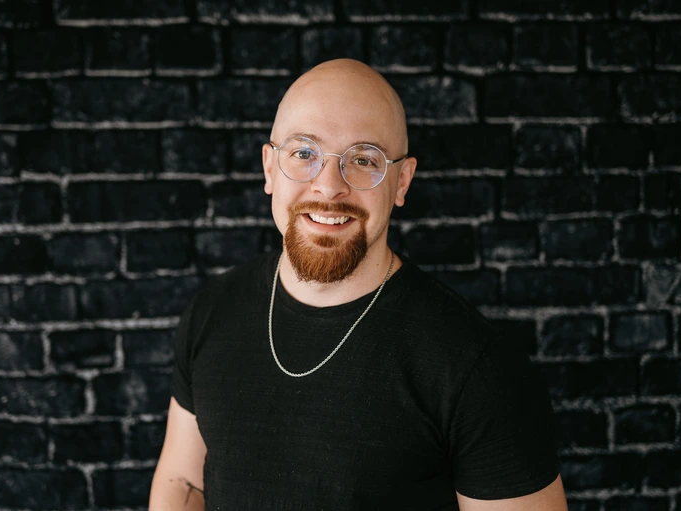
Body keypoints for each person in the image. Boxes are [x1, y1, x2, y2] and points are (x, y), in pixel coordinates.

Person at [149, 58, 567, 510]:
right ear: (270, 168)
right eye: (304, 153)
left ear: (401, 181)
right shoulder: (212, 311)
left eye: (363, 159)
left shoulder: (477, 368)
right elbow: (182, 481)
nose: (328, 187)